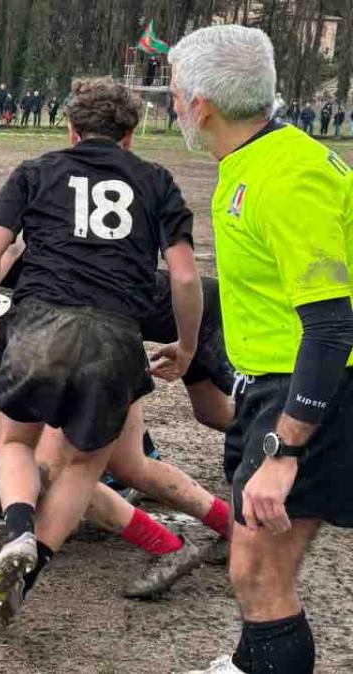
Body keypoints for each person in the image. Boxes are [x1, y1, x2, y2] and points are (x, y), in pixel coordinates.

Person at [0, 77, 202, 629]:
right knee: (82, 467)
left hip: (42, 320)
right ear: (131, 136)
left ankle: (18, 531)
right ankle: (30, 568)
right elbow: (185, 278)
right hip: (117, 335)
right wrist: (186, 346)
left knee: (16, 440)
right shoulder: (156, 180)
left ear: (70, 129)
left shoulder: (35, 171)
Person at [171, 24, 353, 674]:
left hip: (313, 392)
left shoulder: (286, 178)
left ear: (201, 106)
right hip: (276, 382)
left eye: (174, 93)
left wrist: (287, 449)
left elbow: (333, 325)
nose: (172, 106)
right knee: (258, 566)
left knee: (257, 570)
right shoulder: (255, 161)